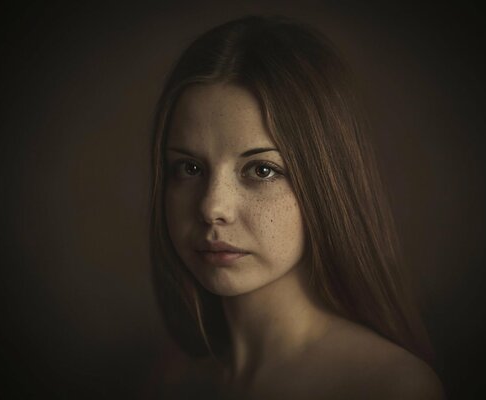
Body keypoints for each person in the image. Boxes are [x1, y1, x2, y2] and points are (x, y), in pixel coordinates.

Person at [150, 15, 444, 399]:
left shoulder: (389, 388)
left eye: (262, 169)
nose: (212, 207)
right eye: (189, 168)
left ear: (326, 184)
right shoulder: (179, 383)